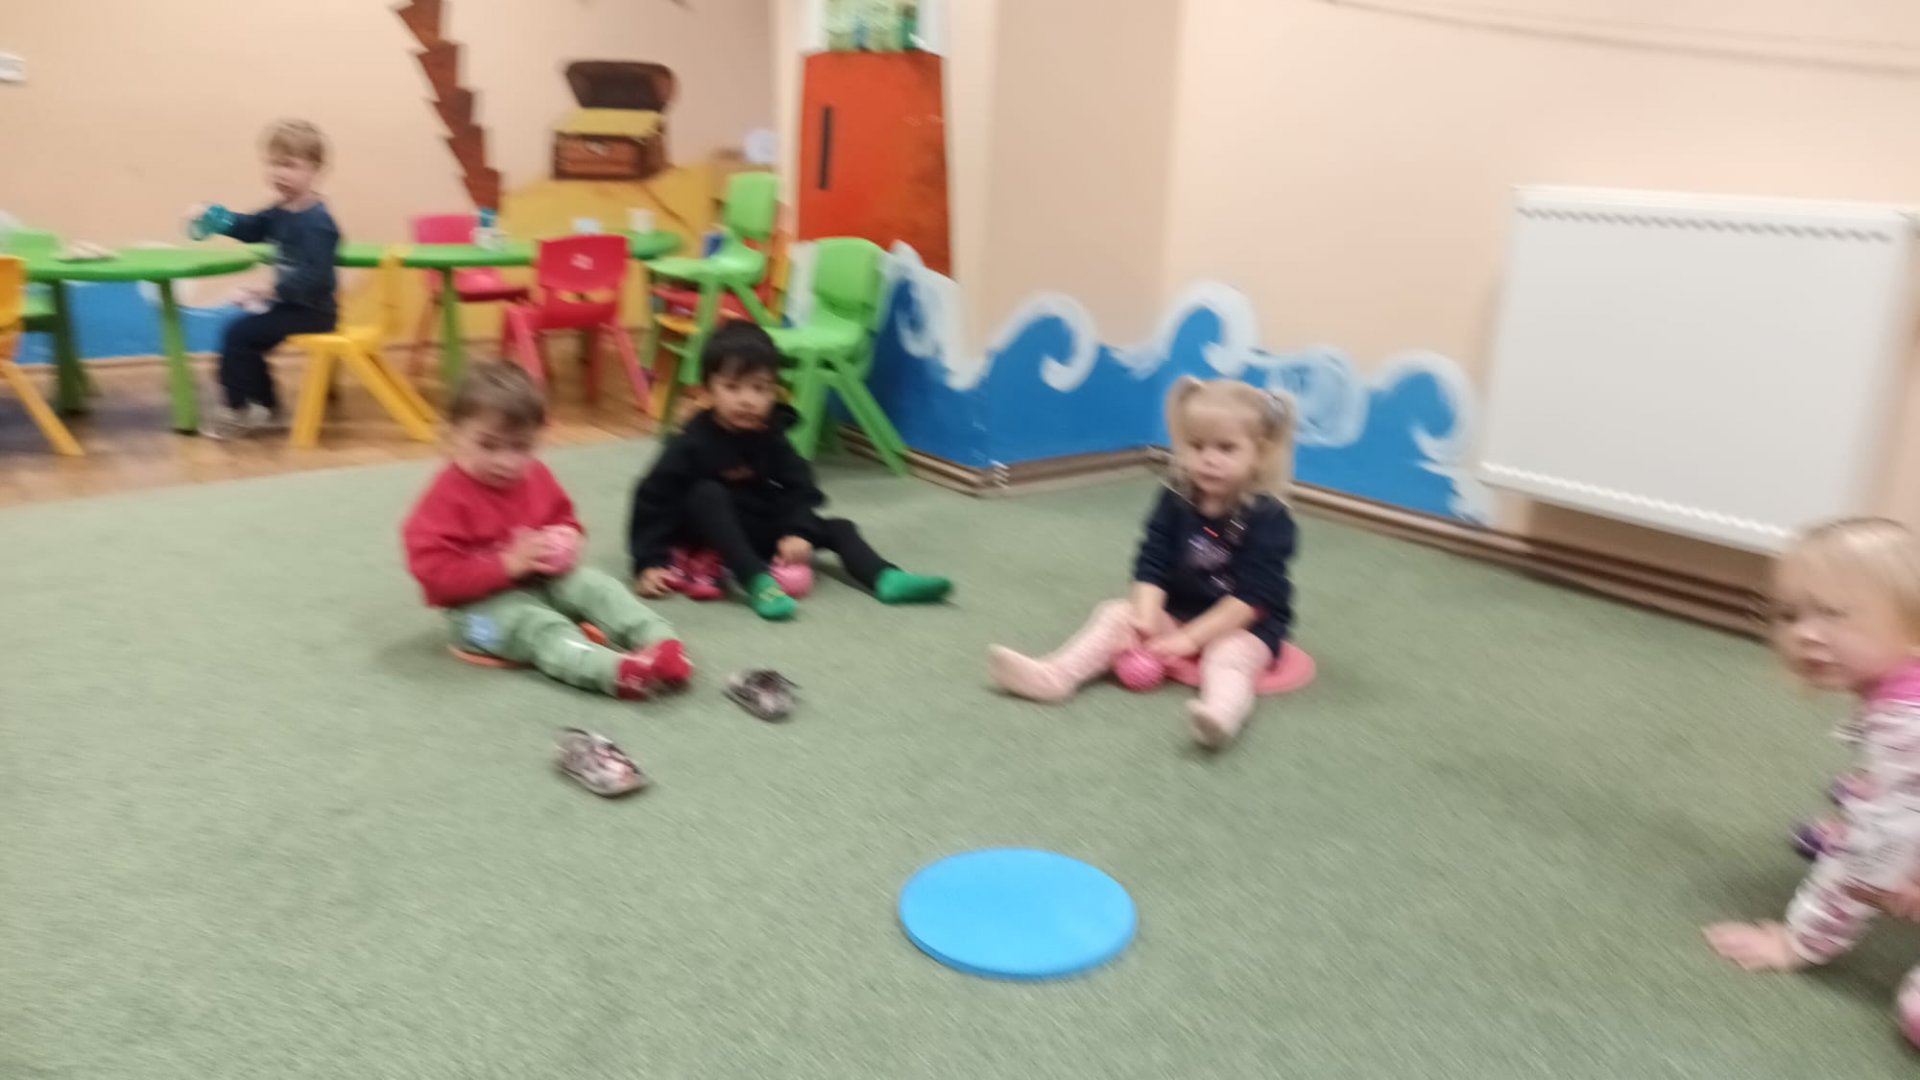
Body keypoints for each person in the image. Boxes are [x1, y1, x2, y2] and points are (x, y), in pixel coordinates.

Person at [988, 376, 1298, 749]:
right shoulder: (1176, 497)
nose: (1208, 459)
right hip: (1179, 612)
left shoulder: (1270, 518)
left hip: (1246, 626)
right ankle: (1056, 675)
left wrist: (1190, 639)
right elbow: (1152, 559)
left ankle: (1220, 714)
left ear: (1259, 454)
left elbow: (1251, 600)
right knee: (1114, 614)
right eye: (1196, 445)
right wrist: (1146, 614)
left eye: (1226, 448)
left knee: (1229, 656)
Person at [1703, 518, 1920, 1045]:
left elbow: (1869, 860)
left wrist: (1798, 942)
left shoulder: (1906, 722)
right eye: (1789, 615)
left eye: (1834, 614)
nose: (1804, 633)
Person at [627, 322, 952, 621]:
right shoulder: (692, 442)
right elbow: (653, 498)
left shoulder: (771, 433)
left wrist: (797, 531)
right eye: (733, 387)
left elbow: (800, 485)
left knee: (839, 527)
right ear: (707, 390)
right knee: (706, 493)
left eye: (760, 389)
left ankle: (885, 577)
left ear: (774, 391)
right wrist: (649, 562)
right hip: (709, 529)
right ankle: (757, 582)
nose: (748, 400)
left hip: (757, 524)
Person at [404, 363, 691, 699]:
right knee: (538, 627)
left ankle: (660, 642)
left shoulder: (535, 475)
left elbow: (564, 518)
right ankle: (615, 672)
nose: (506, 462)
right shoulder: (444, 498)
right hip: (476, 611)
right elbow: (436, 576)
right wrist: (506, 565)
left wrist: (566, 538)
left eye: (521, 447)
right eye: (488, 445)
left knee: (597, 586)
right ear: (454, 435)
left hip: (540, 581)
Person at [195, 119, 342, 439]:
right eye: (273, 164)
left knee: (240, 334)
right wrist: (219, 219)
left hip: (314, 312)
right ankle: (267, 406)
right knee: (244, 337)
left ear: (314, 169)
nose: (279, 173)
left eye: (289, 165)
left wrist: (271, 289)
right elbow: (253, 227)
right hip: (290, 305)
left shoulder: (318, 223)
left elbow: (317, 278)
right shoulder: (281, 210)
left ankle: (238, 410)